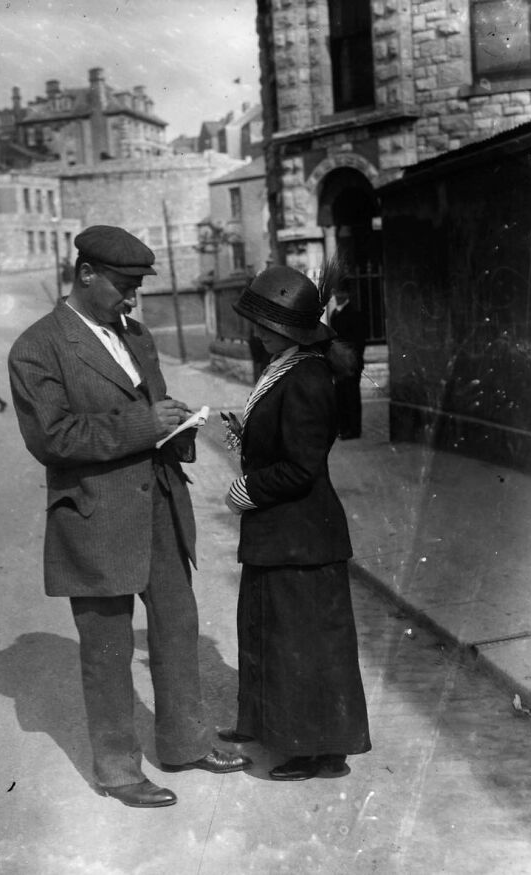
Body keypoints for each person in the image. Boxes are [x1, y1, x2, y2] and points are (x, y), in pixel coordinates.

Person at [8, 226, 250, 809]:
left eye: (138, 287)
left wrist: (179, 427)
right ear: (86, 273)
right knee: (108, 648)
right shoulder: (37, 347)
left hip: (161, 504)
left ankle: (185, 742)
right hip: (95, 518)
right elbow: (54, 438)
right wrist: (147, 425)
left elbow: (151, 411)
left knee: (177, 626)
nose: (132, 300)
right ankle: (118, 769)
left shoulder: (135, 335)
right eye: (124, 285)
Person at [222, 265, 371, 781]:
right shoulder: (287, 364)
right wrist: (248, 438)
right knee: (270, 631)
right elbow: (284, 442)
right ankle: (268, 726)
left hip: (301, 533)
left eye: (265, 327)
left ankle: (316, 752)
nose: (256, 334)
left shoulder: (306, 376)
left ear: (290, 332)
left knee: (304, 644)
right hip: (284, 533)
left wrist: (246, 490)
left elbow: (303, 468)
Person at [329, 280, 366, 439]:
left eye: (341, 293)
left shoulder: (354, 313)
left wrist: (353, 361)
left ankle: (354, 429)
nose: (337, 296)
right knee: (340, 396)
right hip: (338, 362)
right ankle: (343, 427)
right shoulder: (334, 314)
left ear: (347, 295)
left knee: (352, 396)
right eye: (336, 293)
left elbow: (359, 341)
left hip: (351, 362)